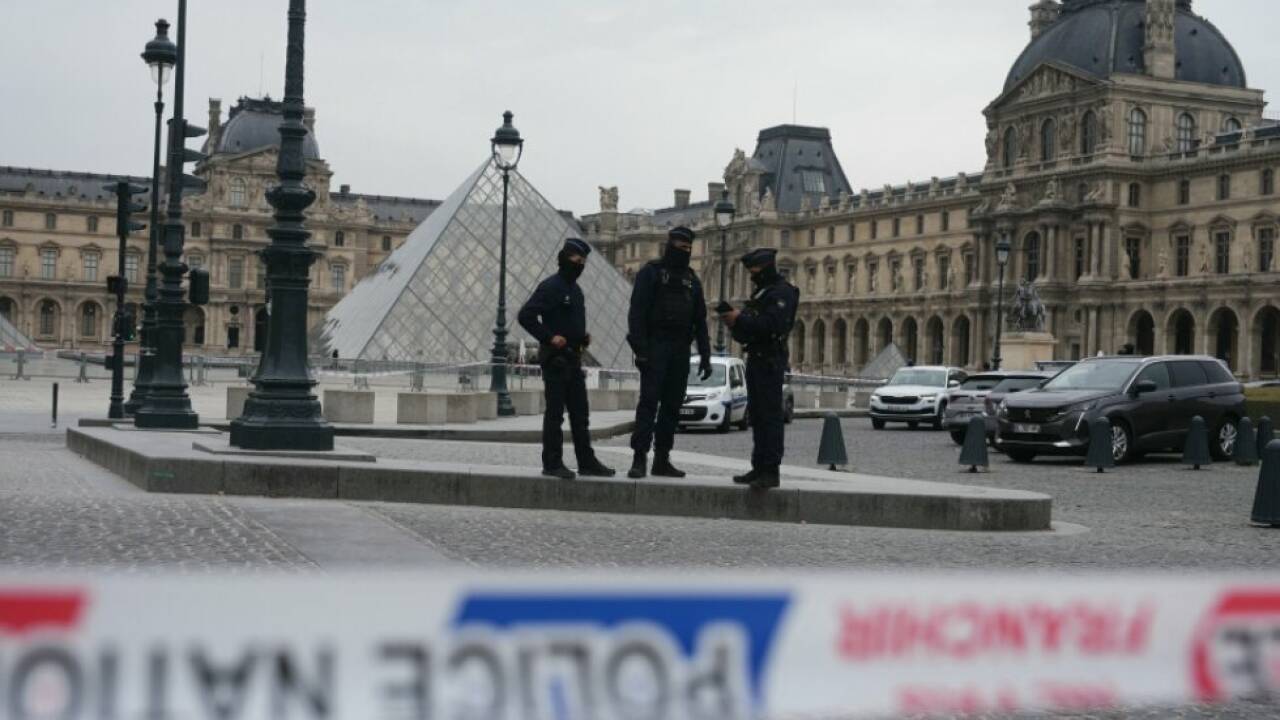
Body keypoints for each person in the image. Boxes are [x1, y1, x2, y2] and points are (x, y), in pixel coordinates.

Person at [517, 237, 616, 480]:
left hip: (574, 358)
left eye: (583, 261)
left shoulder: (576, 290)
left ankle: (586, 461)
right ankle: (552, 463)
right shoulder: (551, 286)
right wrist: (549, 338)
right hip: (556, 360)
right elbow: (526, 316)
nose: (579, 264)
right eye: (576, 259)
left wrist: (583, 338)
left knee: (580, 415)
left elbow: (570, 323)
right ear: (564, 258)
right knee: (555, 414)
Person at [626, 226, 712, 479]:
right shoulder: (651, 273)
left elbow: (700, 320)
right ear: (669, 245)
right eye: (680, 247)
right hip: (656, 346)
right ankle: (639, 458)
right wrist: (641, 350)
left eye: (688, 248)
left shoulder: (692, 279)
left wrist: (705, 355)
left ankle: (662, 458)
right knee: (648, 404)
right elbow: (636, 314)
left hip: (680, 349)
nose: (684, 251)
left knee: (672, 407)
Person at [719, 248, 799, 490]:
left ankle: (771, 470)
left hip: (771, 359)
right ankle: (758, 466)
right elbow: (749, 331)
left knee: (770, 416)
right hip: (756, 357)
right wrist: (733, 322)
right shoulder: (762, 293)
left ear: (766, 267)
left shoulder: (783, 292)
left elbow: (772, 325)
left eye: (754, 271)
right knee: (757, 415)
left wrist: (740, 318)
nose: (752, 275)